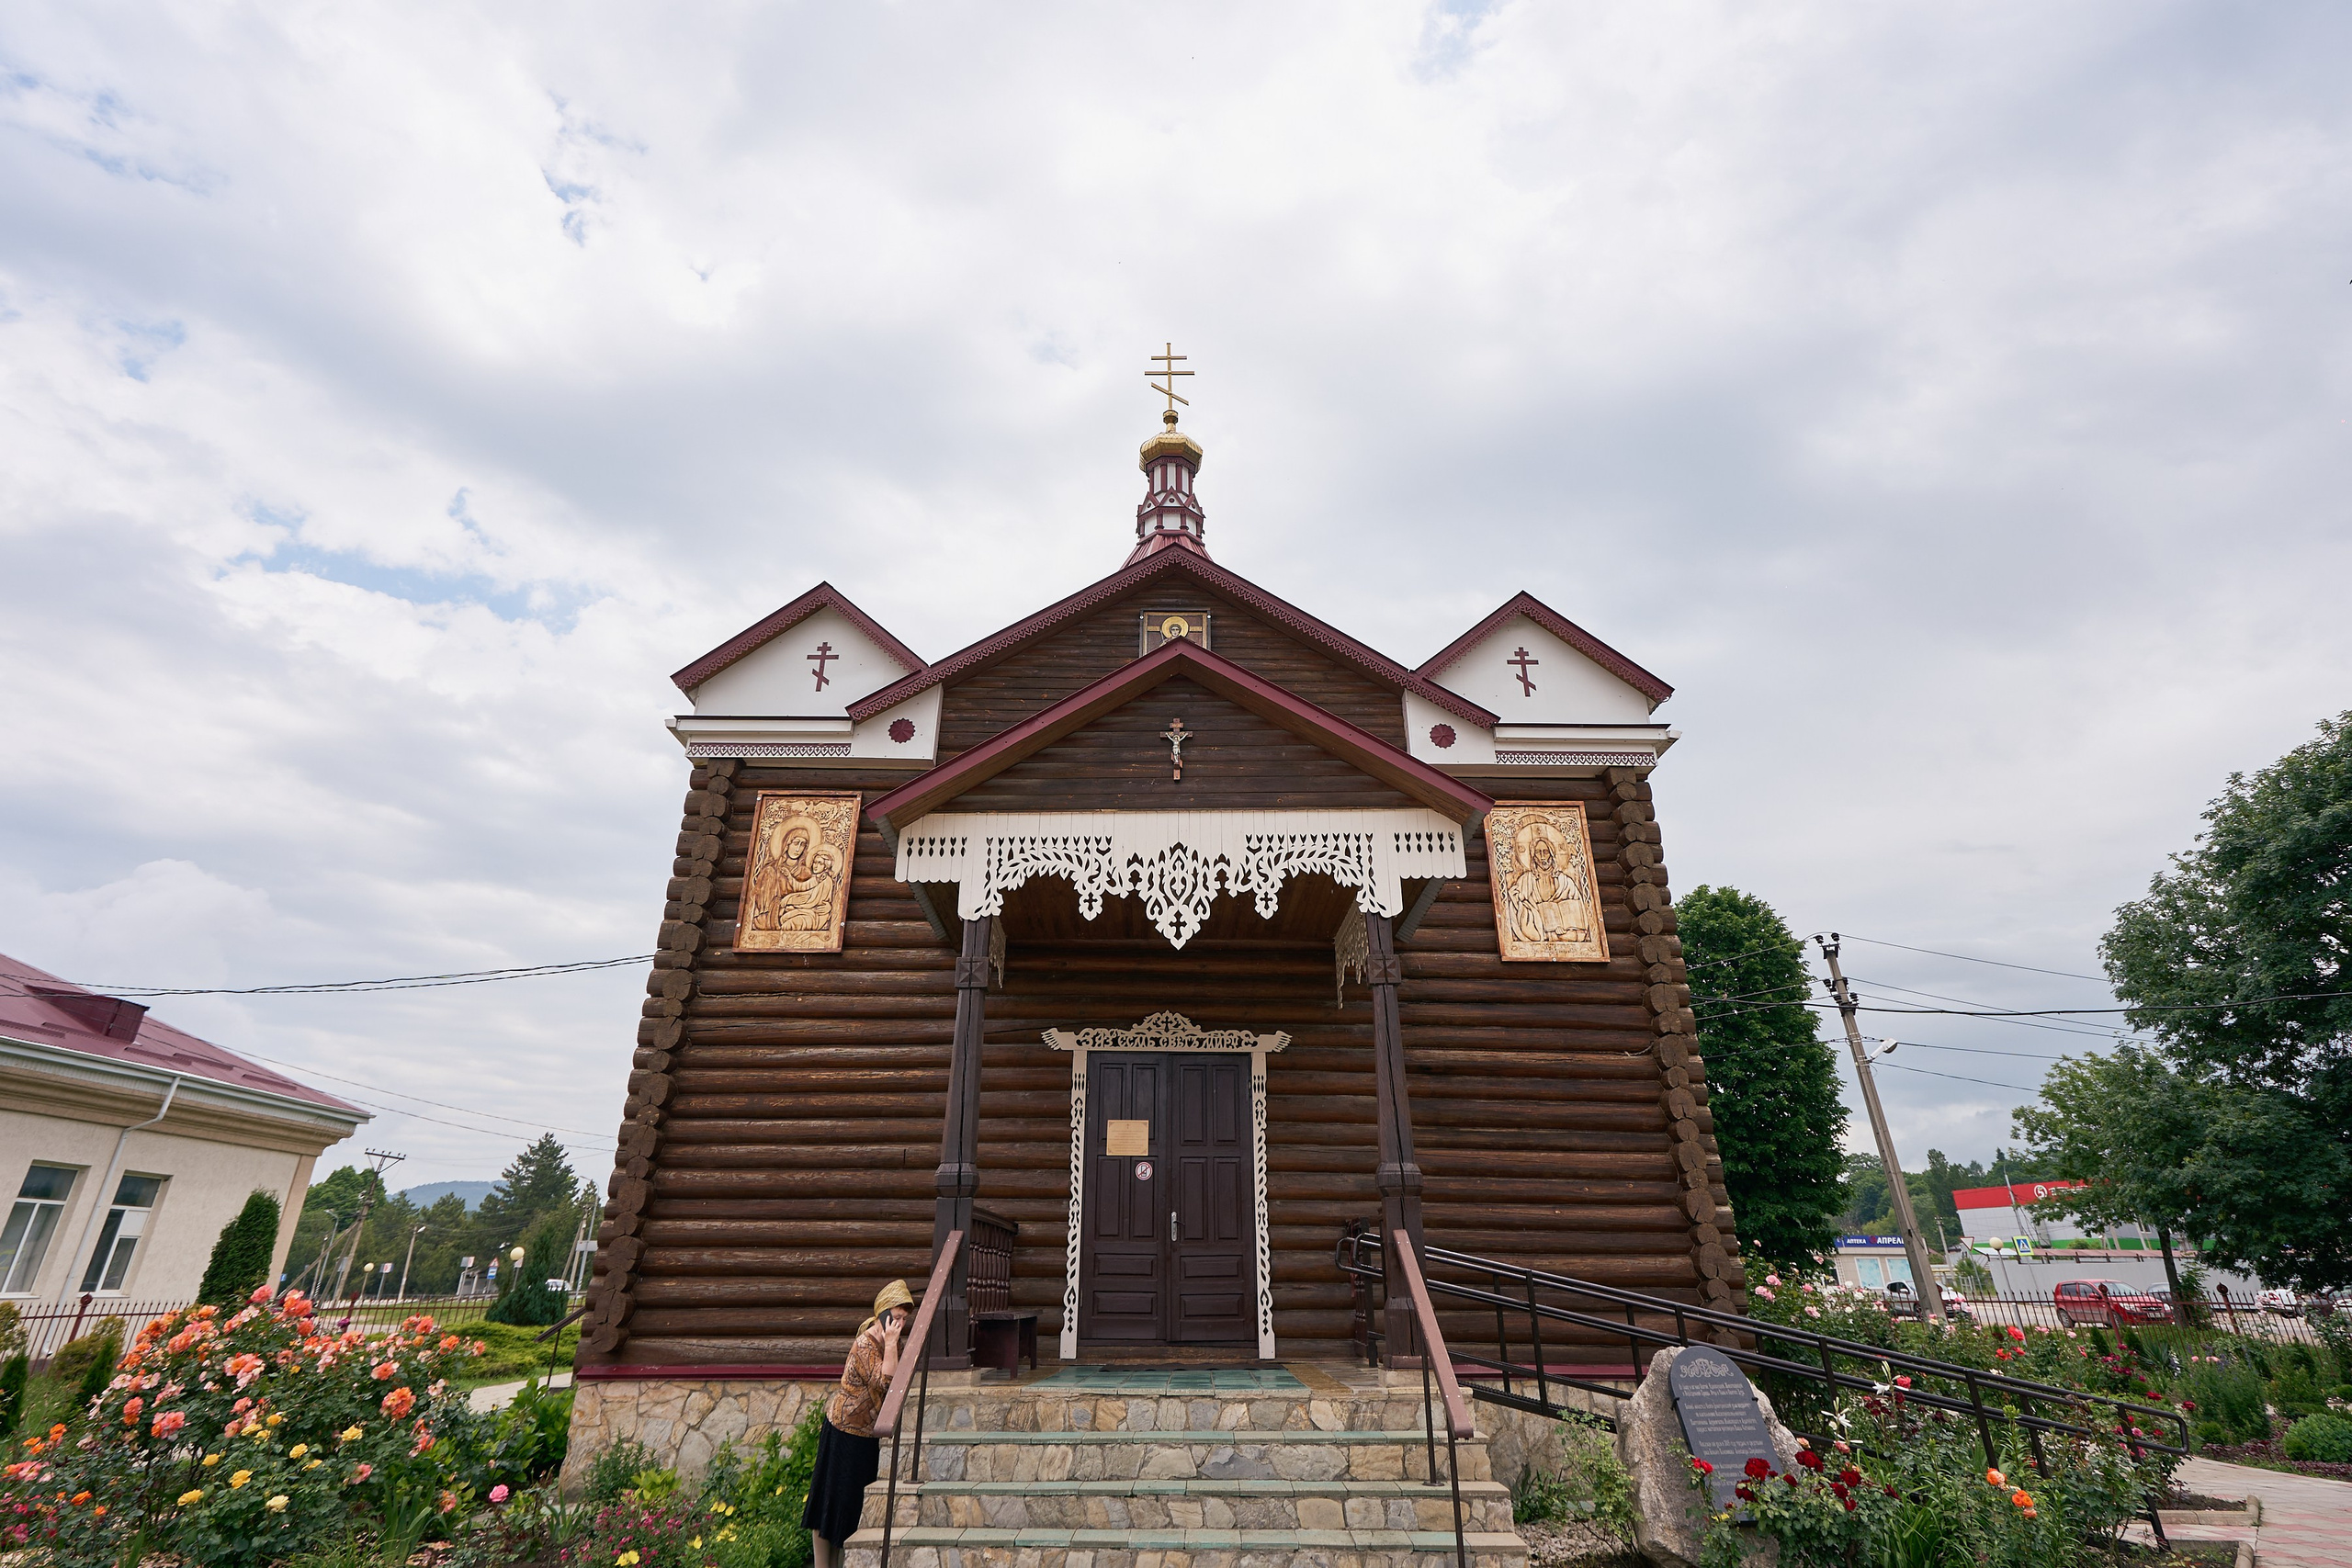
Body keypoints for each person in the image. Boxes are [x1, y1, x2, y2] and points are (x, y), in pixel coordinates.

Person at [805, 1280, 914, 1568]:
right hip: (843, 1432)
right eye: (897, 1317)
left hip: (866, 1436)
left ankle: (839, 1563)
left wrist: (892, 1343)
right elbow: (886, 1380)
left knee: (850, 1506)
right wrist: (891, 1342)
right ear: (882, 1315)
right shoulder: (866, 1343)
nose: (901, 1323)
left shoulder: (891, 1342)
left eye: (904, 1319)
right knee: (828, 1502)